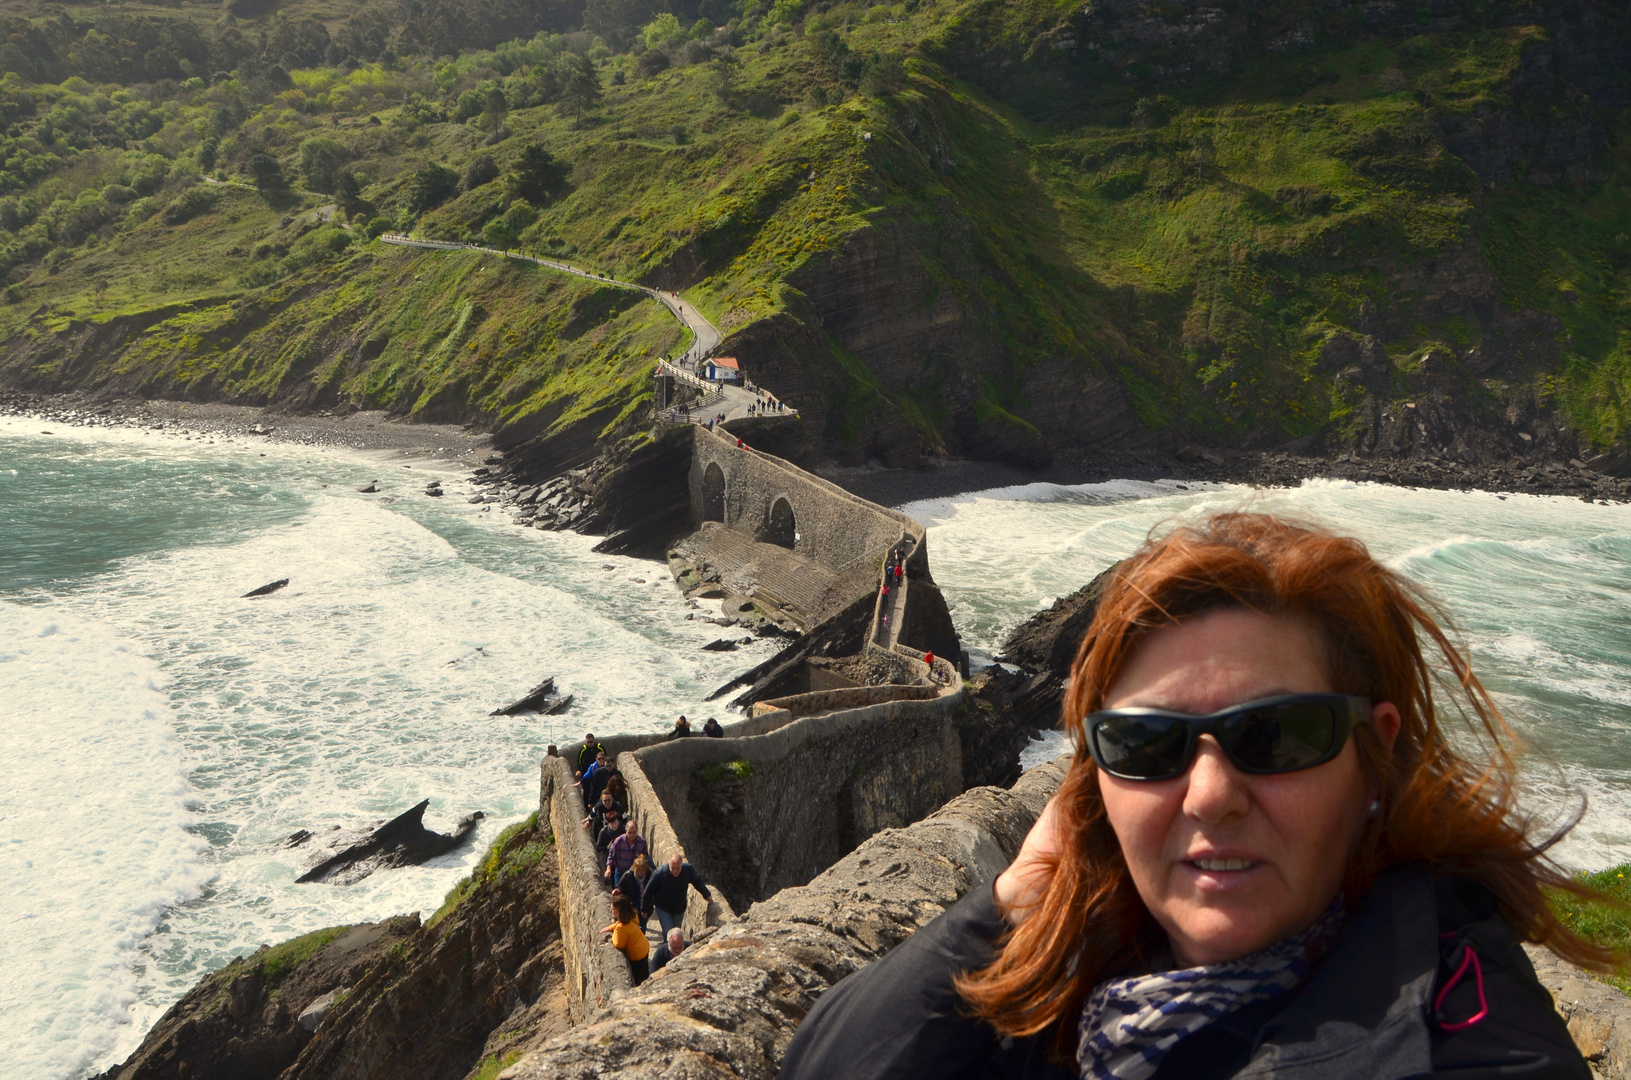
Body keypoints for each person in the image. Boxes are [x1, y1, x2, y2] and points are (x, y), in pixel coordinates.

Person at [781, 511, 1600, 1080]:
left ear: (1373, 755)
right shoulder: (1088, 978)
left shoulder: (1473, 1041)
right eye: (1146, 745)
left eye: (1275, 737)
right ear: (1091, 779)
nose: (1209, 795)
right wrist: (1012, 906)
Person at [642, 852, 712, 936]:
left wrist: (707, 895)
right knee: (669, 933)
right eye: (673, 868)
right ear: (669, 864)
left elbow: (697, 881)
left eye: (678, 868)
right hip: (663, 908)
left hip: (679, 909)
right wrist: (644, 908)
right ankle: (667, 947)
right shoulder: (659, 873)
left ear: (682, 865)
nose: (675, 871)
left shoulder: (688, 870)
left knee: (676, 933)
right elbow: (649, 890)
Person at [602, 892, 650, 985]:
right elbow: (619, 923)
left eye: (613, 909)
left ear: (619, 910)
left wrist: (613, 935)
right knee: (645, 976)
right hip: (644, 948)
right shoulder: (632, 915)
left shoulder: (621, 928)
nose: (611, 911)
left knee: (637, 981)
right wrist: (611, 927)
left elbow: (618, 944)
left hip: (637, 957)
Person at [617, 853, 656, 927]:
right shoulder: (628, 875)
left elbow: (654, 889)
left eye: (642, 871)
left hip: (645, 905)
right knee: (633, 924)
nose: (640, 873)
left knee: (643, 924)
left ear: (645, 869)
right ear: (634, 868)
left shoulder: (650, 876)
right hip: (632, 904)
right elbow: (620, 886)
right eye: (637, 870)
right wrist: (618, 890)